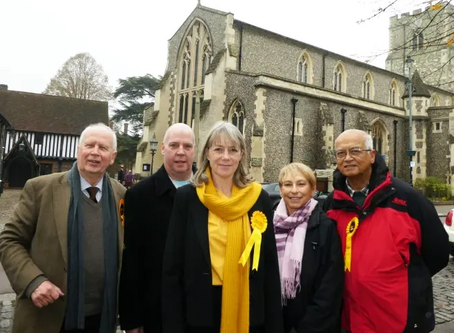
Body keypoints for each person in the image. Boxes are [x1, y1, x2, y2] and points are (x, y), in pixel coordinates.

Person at [0, 123, 126, 333]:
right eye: (89, 145)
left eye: (102, 148)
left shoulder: (120, 194)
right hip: (50, 315)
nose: (94, 152)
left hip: (102, 317)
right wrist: (33, 281)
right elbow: (8, 241)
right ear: (78, 150)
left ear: (112, 157)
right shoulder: (40, 189)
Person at [322, 129, 449, 333]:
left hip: (396, 319)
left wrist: (399, 282)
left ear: (372, 155)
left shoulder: (408, 199)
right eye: (340, 153)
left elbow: (438, 254)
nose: (347, 158)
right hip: (348, 318)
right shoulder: (332, 203)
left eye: (355, 151)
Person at [162, 121, 283, 333]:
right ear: (207, 153)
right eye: (218, 149)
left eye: (233, 150)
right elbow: (173, 267)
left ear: (241, 155)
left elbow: (270, 266)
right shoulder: (188, 198)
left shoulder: (259, 198)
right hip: (199, 313)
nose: (225, 157)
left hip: (248, 310)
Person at [119, 123, 196, 333]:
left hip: (200, 309)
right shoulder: (139, 196)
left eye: (187, 146)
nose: (181, 152)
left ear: (195, 151)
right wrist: (132, 318)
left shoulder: (210, 193)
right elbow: (132, 261)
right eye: (174, 145)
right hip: (156, 309)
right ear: (163, 148)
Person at [274, 162, 344, 333]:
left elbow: (330, 284)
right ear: (281, 189)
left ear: (312, 189)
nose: (294, 190)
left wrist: (309, 326)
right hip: (275, 320)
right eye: (288, 184)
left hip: (311, 322)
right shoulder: (267, 223)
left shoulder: (325, 226)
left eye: (301, 184)